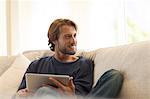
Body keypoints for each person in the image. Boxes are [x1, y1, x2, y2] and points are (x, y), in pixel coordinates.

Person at [16, 19, 123, 99]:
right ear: (54, 39)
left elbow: (85, 95)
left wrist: (71, 96)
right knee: (44, 91)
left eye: (75, 36)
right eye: (68, 36)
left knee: (114, 75)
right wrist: (20, 95)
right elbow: (18, 94)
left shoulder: (84, 64)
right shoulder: (36, 65)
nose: (73, 41)